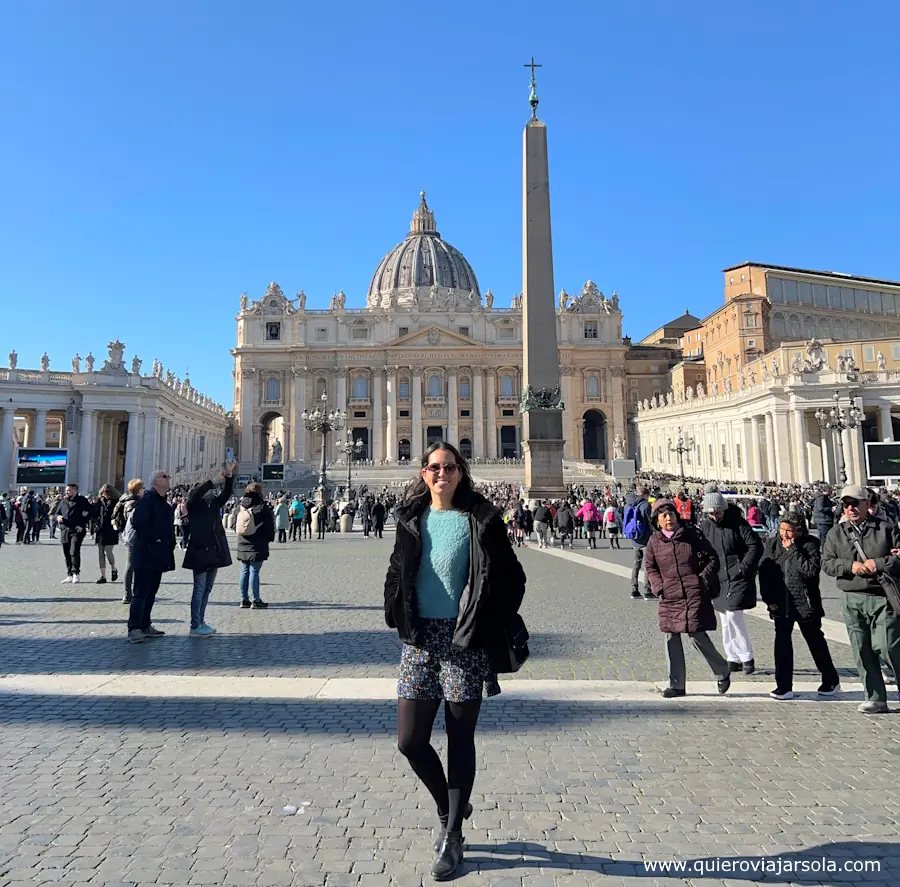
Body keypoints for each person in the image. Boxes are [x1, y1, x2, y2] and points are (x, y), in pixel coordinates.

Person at [384, 442, 526, 880]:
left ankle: (452, 838)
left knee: (460, 737)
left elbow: (511, 577)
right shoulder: (410, 517)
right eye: (433, 467)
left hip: (464, 639)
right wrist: (394, 606)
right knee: (410, 740)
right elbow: (396, 569)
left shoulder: (480, 518)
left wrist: (483, 618)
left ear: (460, 472)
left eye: (448, 466)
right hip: (420, 639)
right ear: (423, 474)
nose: (441, 473)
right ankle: (452, 808)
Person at [822, 484, 900, 714]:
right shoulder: (836, 533)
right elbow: (827, 563)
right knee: (861, 648)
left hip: (881, 596)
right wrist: (850, 566)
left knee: (887, 646)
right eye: (846, 504)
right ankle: (875, 697)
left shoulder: (886, 529)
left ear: (867, 504)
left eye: (855, 503)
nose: (850, 508)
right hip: (851, 596)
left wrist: (879, 563)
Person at [644, 498, 731, 698]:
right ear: (657, 521)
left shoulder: (692, 534)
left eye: (671, 514)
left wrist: (701, 579)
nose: (669, 518)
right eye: (664, 515)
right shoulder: (654, 542)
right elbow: (651, 567)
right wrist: (658, 587)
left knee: (696, 635)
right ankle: (676, 684)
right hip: (669, 595)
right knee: (670, 637)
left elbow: (712, 558)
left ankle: (722, 670)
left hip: (693, 592)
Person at [759, 512, 840, 700]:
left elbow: (811, 571)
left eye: (789, 531)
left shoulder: (810, 544)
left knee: (815, 642)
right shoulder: (772, 543)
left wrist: (793, 550)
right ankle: (783, 686)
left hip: (805, 602)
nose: (784, 535)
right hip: (781, 602)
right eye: (782, 529)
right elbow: (764, 571)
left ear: (799, 530)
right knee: (782, 644)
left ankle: (830, 679)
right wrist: (768, 599)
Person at [700, 485, 762, 675]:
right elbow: (702, 550)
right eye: (711, 513)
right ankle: (732, 657)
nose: (715, 516)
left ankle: (747, 656)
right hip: (718, 578)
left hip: (737, 576)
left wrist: (743, 567)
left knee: (734, 615)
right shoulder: (705, 526)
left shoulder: (738, 523)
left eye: (718, 512)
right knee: (725, 619)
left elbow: (755, 546)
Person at [183, 461, 236, 636]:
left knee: (207, 589)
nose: (211, 493)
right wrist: (211, 482)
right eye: (208, 491)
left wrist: (229, 476)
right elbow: (196, 494)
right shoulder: (194, 505)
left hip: (214, 550)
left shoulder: (213, 504)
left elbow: (227, 493)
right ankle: (195, 624)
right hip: (199, 550)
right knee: (199, 588)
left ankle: (201, 621)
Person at [127, 471, 176, 643]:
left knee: (151, 592)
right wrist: (154, 539)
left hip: (158, 555)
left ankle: (145, 624)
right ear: (155, 482)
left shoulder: (163, 503)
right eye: (165, 476)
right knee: (140, 593)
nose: (168, 478)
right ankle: (134, 628)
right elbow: (138, 522)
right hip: (146, 554)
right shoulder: (147, 500)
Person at [236, 482, 275, 608]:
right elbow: (269, 526)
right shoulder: (262, 507)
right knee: (254, 571)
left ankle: (243, 599)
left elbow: (234, 525)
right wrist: (269, 538)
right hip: (257, 543)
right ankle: (255, 600)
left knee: (244, 570)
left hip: (242, 542)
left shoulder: (240, 507)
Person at [113, 479, 144, 604]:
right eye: (142, 488)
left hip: (132, 536)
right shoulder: (132, 503)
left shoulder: (127, 500)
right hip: (133, 537)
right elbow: (134, 520)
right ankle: (127, 594)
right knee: (131, 565)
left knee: (134, 565)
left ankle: (133, 593)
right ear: (138, 489)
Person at [57, 484, 91, 583]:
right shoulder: (63, 502)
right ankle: (69, 574)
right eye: (66, 490)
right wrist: (57, 517)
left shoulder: (82, 501)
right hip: (65, 530)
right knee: (66, 553)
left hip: (77, 530)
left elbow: (90, 512)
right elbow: (55, 513)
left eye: (69, 490)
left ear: (75, 491)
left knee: (74, 551)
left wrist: (83, 522)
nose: (66, 492)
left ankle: (76, 573)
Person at [624, 486, 654, 599]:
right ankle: (647, 590)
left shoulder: (628, 504)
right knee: (647, 565)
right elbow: (650, 522)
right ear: (646, 495)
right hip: (646, 538)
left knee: (636, 564)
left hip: (635, 537)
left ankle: (634, 589)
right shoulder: (645, 505)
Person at [94, 484, 120, 584]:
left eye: (106, 493)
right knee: (101, 553)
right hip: (100, 530)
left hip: (111, 529)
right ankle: (103, 575)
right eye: (103, 492)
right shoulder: (99, 501)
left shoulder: (116, 502)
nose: (104, 494)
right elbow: (95, 512)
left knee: (108, 551)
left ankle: (113, 568)